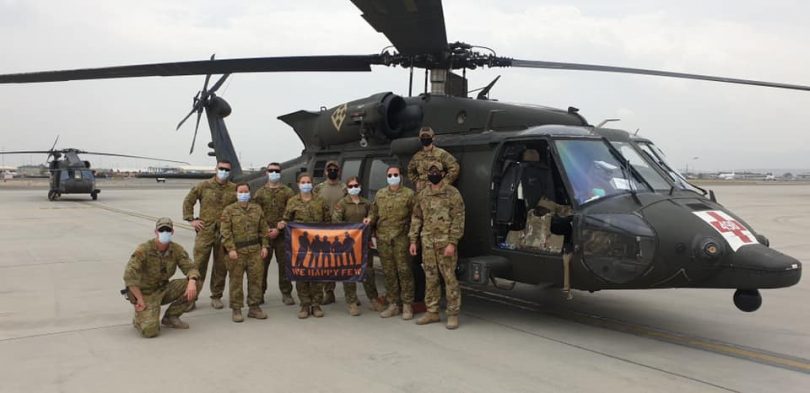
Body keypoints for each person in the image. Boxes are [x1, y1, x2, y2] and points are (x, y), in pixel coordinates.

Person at [408, 161, 465, 329]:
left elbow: (459, 219)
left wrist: (452, 242)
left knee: (449, 278)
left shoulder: (452, 193)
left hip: (445, 243)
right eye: (430, 171)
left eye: (436, 171)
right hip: (427, 243)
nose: (433, 174)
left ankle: (453, 313)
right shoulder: (423, 194)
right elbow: (417, 218)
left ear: (442, 173)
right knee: (430, 278)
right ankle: (432, 311)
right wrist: (413, 240)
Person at [123, 217, 199, 338]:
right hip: (145, 293)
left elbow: (191, 268)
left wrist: (192, 281)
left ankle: (171, 317)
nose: (165, 233)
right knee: (150, 332)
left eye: (168, 230)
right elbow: (129, 276)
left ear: (172, 232)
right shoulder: (144, 249)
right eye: (161, 230)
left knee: (195, 283)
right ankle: (139, 319)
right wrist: (139, 299)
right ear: (156, 232)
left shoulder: (176, 249)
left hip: (164, 289)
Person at [182, 160, 237, 310]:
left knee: (221, 266)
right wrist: (191, 219)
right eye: (221, 168)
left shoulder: (234, 189)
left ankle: (216, 296)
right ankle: (192, 298)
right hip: (205, 231)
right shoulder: (203, 186)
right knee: (198, 265)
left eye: (227, 169)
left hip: (224, 233)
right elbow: (188, 201)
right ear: (216, 169)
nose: (224, 171)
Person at [365, 165, 415, 319]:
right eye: (390, 174)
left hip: (401, 239)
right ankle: (393, 304)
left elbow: (416, 218)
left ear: (401, 176)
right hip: (383, 239)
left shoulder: (409, 194)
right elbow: (374, 213)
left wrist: (413, 240)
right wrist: (369, 220)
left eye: (395, 174)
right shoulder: (380, 194)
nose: (393, 177)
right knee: (389, 273)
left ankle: (407, 305)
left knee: (404, 272)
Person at [278, 173, 331, 319]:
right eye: (303, 182)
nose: (306, 184)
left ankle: (316, 304)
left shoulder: (320, 201)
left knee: (316, 273)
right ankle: (305, 304)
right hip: (300, 245)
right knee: (301, 273)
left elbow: (328, 222)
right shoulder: (292, 201)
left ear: (312, 183)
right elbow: (287, 219)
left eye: (308, 182)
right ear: (298, 184)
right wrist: (282, 224)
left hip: (317, 244)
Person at [220, 183, 270, 323]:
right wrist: (230, 249)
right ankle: (236, 309)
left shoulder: (257, 209)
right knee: (236, 281)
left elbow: (264, 229)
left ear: (249, 192)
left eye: (246, 191)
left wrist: (265, 246)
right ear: (236, 193)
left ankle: (254, 307)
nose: (243, 194)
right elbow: (225, 231)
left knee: (256, 280)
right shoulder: (229, 210)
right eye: (240, 192)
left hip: (255, 250)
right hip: (237, 252)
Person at [332, 176, 381, 316]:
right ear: (347, 188)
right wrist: (350, 230)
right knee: (349, 272)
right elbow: (336, 222)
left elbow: (372, 215)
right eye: (351, 186)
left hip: (364, 243)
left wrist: (369, 220)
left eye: (356, 185)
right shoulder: (342, 204)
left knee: (368, 272)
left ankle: (373, 299)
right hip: (348, 245)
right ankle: (352, 301)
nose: (354, 188)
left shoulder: (366, 203)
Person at [252, 162, 296, 306]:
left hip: (283, 236)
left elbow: (291, 213)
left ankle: (286, 293)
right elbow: (255, 214)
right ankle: (259, 293)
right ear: (266, 172)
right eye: (271, 170)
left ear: (280, 172)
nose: (274, 173)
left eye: (276, 171)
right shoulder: (259, 193)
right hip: (265, 237)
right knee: (261, 266)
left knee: (284, 265)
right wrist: (265, 230)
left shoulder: (288, 192)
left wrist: (280, 227)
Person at [313, 160, 347, 304]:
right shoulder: (318, 188)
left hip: (341, 230)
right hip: (324, 230)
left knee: (344, 263)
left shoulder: (345, 188)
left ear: (339, 171)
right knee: (325, 263)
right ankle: (328, 292)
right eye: (329, 169)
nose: (332, 171)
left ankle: (350, 294)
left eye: (335, 168)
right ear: (326, 171)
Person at [407, 127, 460, 192]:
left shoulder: (441, 154)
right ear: (420, 138)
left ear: (433, 137)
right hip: (422, 192)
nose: (425, 138)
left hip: (437, 191)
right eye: (423, 136)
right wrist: (416, 182)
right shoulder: (416, 157)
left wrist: (444, 182)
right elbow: (410, 171)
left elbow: (455, 167)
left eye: (428, 136)